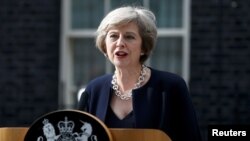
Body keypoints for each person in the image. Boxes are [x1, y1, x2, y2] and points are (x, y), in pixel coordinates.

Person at [78, 6, 202, 141]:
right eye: (113, 36)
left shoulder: (171, 87)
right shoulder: (94, 89)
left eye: (129, 37)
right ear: (105, 44)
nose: (120, 43)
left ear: (143, 47)